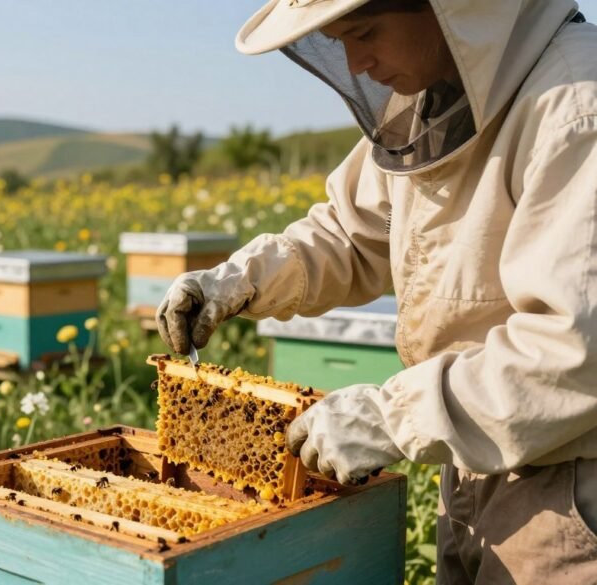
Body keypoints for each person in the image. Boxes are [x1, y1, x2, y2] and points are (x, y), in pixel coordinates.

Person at [156, 0, 597, 582]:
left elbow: (575, 351)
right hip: (472, 459)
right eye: (339, 41)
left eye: (364, 33)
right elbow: (354, 232)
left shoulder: (575, 105)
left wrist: (395, 417)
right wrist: (241, 279)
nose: (357, 64)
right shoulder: (434, 98)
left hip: (569, 483)